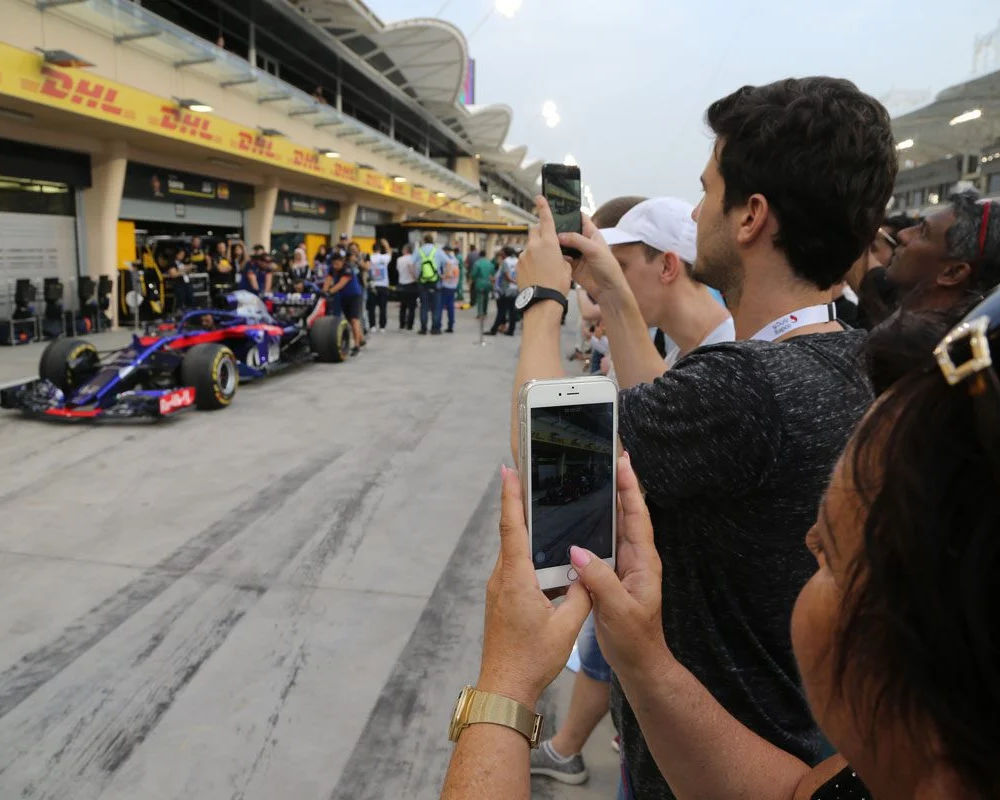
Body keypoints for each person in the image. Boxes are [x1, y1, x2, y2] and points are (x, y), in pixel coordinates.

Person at [443, 291, 1000, 800]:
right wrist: (642, 658)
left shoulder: (748, 386)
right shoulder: (879, 778)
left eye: (827, 555)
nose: (804, 542)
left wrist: (506, 683)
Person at [509, 77, 896, 800]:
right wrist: (620, 300)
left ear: (751, 216)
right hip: (781, 736)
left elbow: (552, 454)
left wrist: (541, 300)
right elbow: (666, 414)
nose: (695, 212)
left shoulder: (748, 389)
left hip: (708, 764)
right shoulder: (849, 354)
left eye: (706, 189)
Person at [530, 195, 735, 786]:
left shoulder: (729, 367)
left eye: (618, 264)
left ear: (667, 265)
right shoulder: (677, 348)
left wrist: (540, 306)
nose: (598, 286)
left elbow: (553, 444)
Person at [886, 191, 1000, 314]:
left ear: (953, 273)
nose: (902, 234)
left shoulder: (909, 332)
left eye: (923, 233)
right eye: (918, 226)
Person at [323, 252, 364, 355]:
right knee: (350, 321)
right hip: (343, 297)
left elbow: (341, 284)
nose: (335, 266)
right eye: (333, 264)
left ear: (342, 262)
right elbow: (328, 280)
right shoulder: (332, 268)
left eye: (337, 264)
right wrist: (323, 291)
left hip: (354, 296)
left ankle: (356, 346)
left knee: (354, 320)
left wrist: (329, 291)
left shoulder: (347, 269)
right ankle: (361, 338)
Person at [416, 232, 446, 335]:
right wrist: (444, 275)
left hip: (423, 282)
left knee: (424, 306)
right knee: (436, 306)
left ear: (424, 240)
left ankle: (423, 328)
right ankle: (435, 329)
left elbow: (411, 264)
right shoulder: (438, 251)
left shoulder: (419, 251)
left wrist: (415, 277)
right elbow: (449, 262)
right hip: (435, 281)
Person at [486, 247, 519, 336]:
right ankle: (511, 330)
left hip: (506, 289)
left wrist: (512, 281)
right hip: (515, 289)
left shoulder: (506, 262)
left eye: (502, 253)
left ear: (505, 253)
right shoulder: (517, 260)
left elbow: (506, 276)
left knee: (501, 311)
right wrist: (517, 283)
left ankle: (494, 330)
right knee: (512, 311)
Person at [368, 239, 391, 332]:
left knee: (371, 307)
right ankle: (382, 327)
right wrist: (386, 244)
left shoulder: (369, 257)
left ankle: (372, 326)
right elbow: (389, 253)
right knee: (383, 307)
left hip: (373, 285)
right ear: (380, 250)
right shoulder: (384, 258)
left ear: (372, 249)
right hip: (383, 285)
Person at [396, 243, 418, 330]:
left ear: (405, 250)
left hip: (402, 284)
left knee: (403, 306)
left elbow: (398, 270)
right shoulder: (413, 259)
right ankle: (410, 325)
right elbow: (414, 271)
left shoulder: (399, 259)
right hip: (412, 285)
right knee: (411, 307)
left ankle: (401, 324)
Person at [469, 250, 495, 321]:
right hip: (488, 283)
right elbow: (492, 273)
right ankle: (485, 313)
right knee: (486, 299)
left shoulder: (477, 263)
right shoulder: (489, 263)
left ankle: (480, 314)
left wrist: (473, 280)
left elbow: (473, 274)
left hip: (480, 283)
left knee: (480, 299)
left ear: (479, 255)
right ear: (485, 255)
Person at [441, 246, 461, 333]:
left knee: (441, 306)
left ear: (446, 251)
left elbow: (448, 274)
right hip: (453, 286)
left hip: (446, 286)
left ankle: (439, 325)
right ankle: (450, 325)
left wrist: (440, 276)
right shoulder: (455, 260)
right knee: (450, 307)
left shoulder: (448, 261)